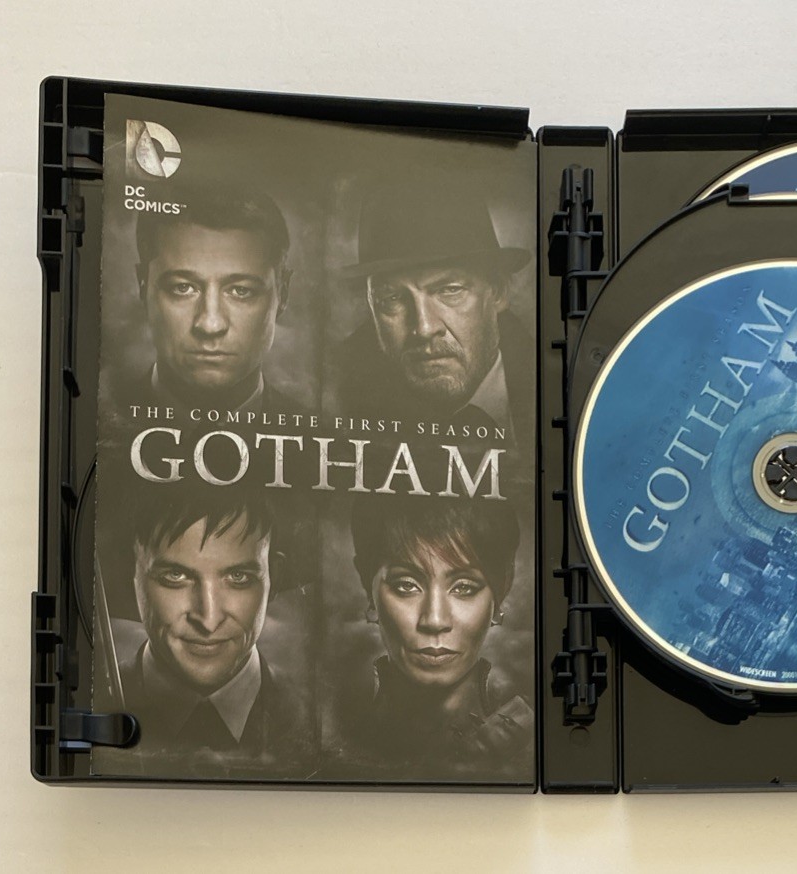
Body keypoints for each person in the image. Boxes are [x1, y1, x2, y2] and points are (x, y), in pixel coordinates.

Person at [105, 484, 310, 776]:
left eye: (238, 577)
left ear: (273, 576)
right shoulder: (100, 702)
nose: (208, 620)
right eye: (175, 575)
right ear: (132, 574)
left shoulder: (316, 721)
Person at [341, 494, 533, 778]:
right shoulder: (335, 740)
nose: (434, 620)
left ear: (500, 592)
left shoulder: (530, 738)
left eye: (464, 587)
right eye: (407, 585)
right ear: (368, 587)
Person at [336, 177, 533, 438]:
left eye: (449, 290)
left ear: (498, 293)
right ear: (371, 305)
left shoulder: (552, 383)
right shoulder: (338, 402)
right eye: (392, 298)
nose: (424, 328)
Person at [120, 183, 300, 414]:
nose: (210, 325)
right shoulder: (107, 413)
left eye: (241, 291)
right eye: (182, 288)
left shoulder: (323, 433)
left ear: (282, 294)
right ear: (143, 285)